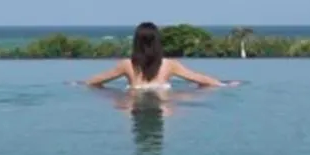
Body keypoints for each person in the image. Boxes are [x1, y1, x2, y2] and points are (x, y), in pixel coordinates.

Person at [82, 22, 236, 90]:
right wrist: (223, 84)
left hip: (135, 96)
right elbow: (201, 79)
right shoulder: (169, 65)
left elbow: (94, 82)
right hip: (163, 96)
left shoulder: (127, 65)